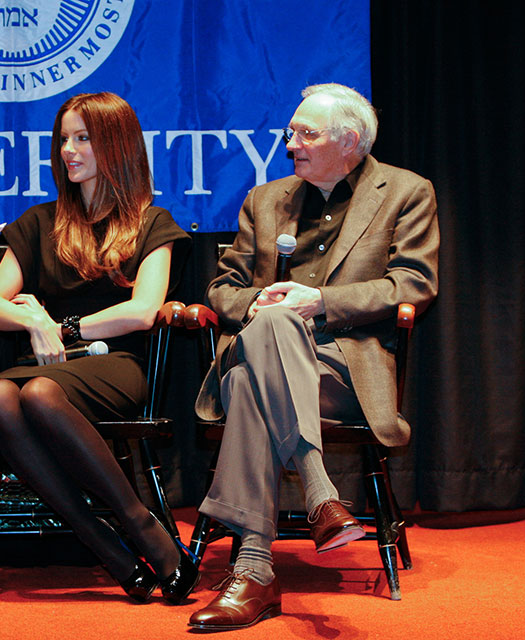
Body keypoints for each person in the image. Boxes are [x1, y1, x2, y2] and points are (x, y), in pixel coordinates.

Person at [188, 83, 439, 630]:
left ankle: (253, 569)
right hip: (264, 353)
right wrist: (265, 302)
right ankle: (320, 491)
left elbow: (413, 284)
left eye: (306, 133)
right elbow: (223, 289)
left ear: (348, 141)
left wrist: (320, 301)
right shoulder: (266, 199)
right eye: (290, 132)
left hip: (343, 367)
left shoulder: (404, 191)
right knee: (271, 328)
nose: (290, 144)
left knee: (249, 385)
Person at [0, 92, 197, 604]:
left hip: (115, 364)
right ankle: (105, 545)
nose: (67, 150)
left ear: (116, 147)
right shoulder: (39, 222)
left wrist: (62, 327)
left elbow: (142, 311)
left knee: (36, 394)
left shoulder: (151, 223)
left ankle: (139, 525)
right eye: (64, 139)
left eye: (82, 139)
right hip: (48, 364)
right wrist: (31, 320)